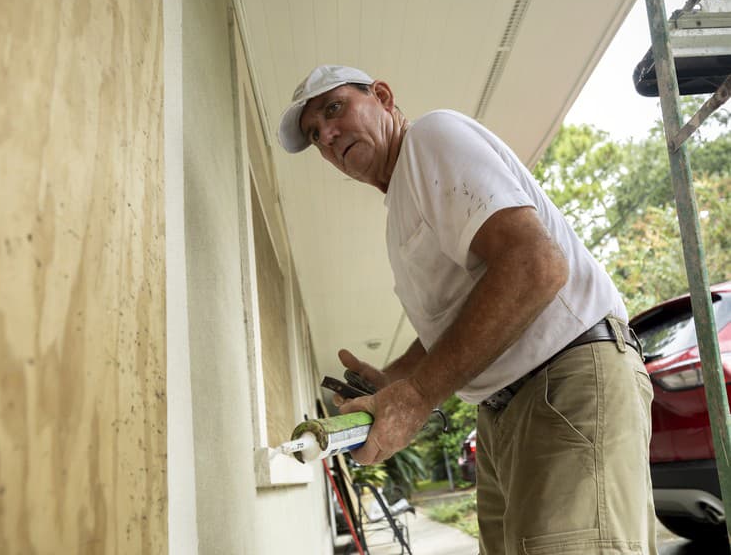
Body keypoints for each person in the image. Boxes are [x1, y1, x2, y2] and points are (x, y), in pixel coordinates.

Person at [277, 65, 657, 554]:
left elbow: (535, 265)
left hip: (565, 382)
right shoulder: (400, 207)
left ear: (384, 97)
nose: (327, 136)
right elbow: (460, 315)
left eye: (334, 109)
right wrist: (397, 379)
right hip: (505, 409)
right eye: (314, 135)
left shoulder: (431, 139)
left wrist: (415, 397)